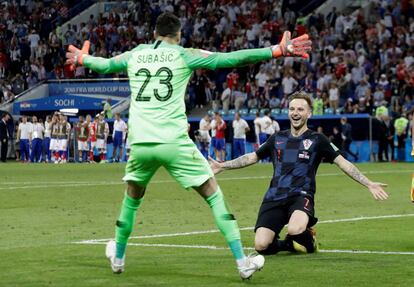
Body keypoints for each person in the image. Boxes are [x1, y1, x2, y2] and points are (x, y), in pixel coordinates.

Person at [66, 12, 311, 279]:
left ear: (154, 33)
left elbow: (103, 65)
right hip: (173, 141)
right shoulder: (183, 54)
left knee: (132, 199)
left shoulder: (135, 53)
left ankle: (119, 258)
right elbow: (230, 58)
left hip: (140, 142)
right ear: (178, 34)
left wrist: (81, 58)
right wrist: (276, 50)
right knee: (213, 195)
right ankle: (242, 263)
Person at [209, 92, 388, 257]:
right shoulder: (277, 138)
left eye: (300, 109)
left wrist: (369, 183)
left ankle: (309, 239)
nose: (295, 113)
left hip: (300, 196)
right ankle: (288, 245)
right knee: (261, 246)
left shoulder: (318, 140)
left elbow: (343, 163)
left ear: (309, 113)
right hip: (275, 196)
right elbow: (251, 157)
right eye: (292, 109)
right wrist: (223, 166)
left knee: (295, 229)